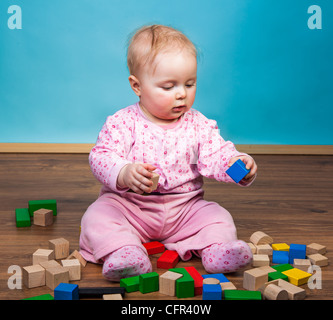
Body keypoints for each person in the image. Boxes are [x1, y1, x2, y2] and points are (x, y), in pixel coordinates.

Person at [79, 24, 257, 281]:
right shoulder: (122, 122)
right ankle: (125, 252)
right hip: (131, 207)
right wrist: (124, 172)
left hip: (185, 208)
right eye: (168, 86)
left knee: (217, 216)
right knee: (97, 216)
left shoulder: (198, 124)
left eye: (189, 83)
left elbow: (217, 153)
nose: (181, 94)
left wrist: (237, 163)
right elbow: (101, 156)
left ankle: (218, 250)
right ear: (137, 86)